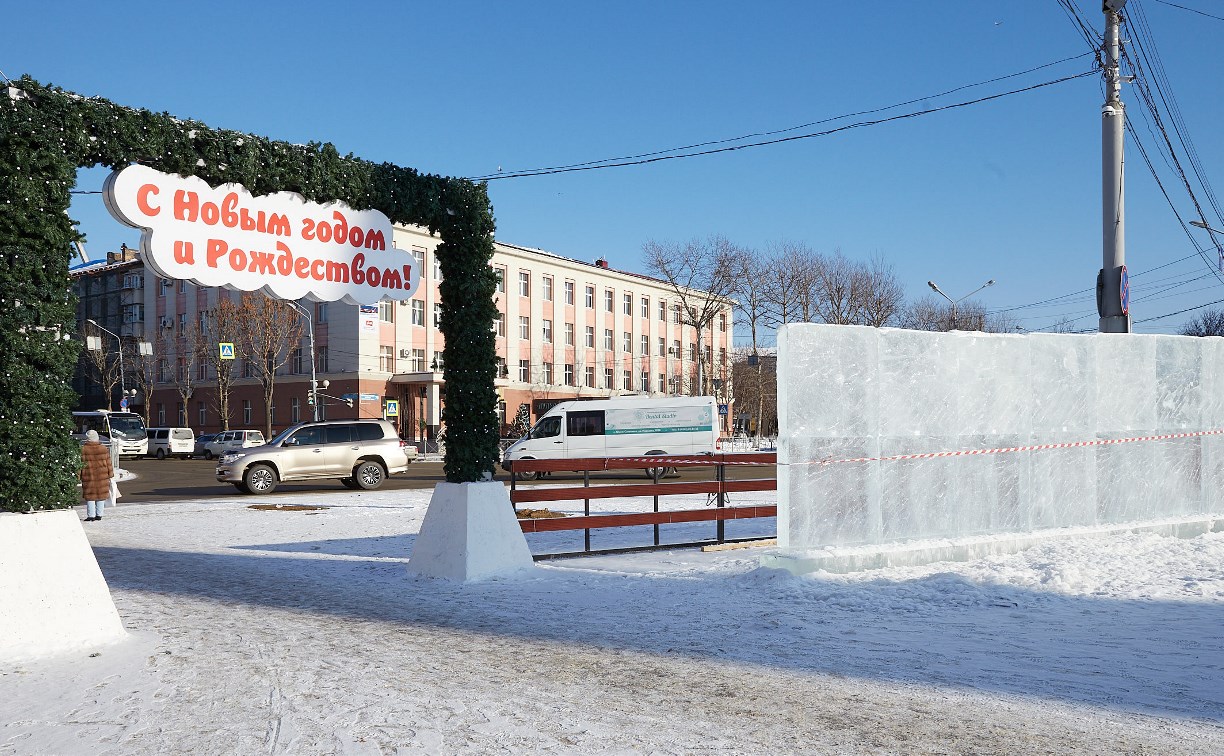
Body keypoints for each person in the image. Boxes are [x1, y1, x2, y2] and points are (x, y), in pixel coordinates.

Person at [79, 429, 114, 522]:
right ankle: (99, 515)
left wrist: (78, 476)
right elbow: (108, 463)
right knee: (101, 496)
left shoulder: (83, 449)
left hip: (88, 475)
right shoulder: (103, 448)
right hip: (102, 476)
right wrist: (110, 474)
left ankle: (91, 515)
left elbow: (79, 465)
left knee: (90, 496)